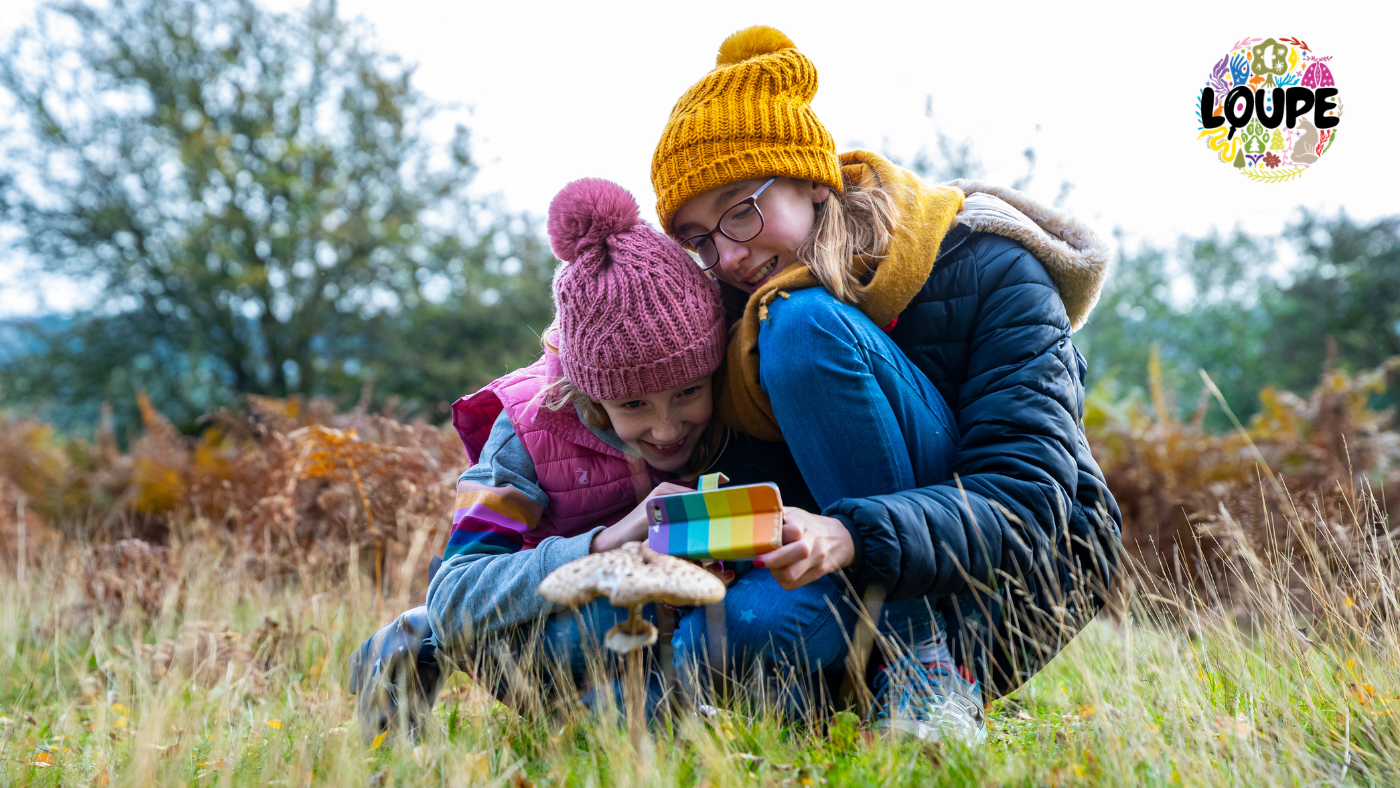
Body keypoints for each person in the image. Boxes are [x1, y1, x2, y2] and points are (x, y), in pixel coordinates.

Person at [649, 25, 1123, 742]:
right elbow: (762, 496)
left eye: (741, 210)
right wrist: (708, 529)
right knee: (725, 638)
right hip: (847, 564)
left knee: (803, 324)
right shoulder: (724, 312)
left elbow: (1028, 498)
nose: (731, 253)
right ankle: (851, 694)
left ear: (810, 178)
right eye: (699, 239)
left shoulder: (989, 267)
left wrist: (852, 532)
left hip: (1007, 576)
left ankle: (922, 668)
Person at [348, 177, 832, 738]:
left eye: (688, 393)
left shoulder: (738, 405)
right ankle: (418, 642)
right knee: (619, 630)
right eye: (632, 404)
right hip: (562, 632)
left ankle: (637, 717)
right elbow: (456, 590)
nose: (667, 427)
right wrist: (608, 542)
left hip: (689, 630)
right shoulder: (526, 431)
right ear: (588, 392)